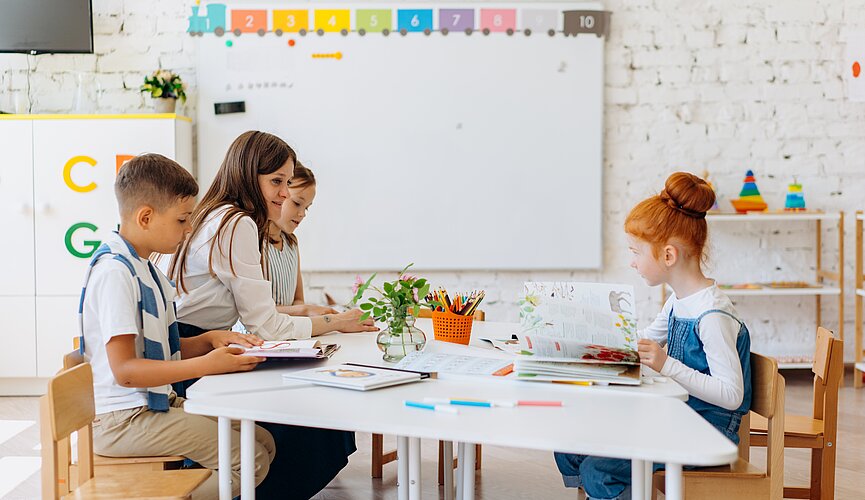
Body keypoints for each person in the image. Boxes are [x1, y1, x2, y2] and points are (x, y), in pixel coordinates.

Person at [169, 131, 373, 499]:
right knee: (311, 415)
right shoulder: (238, 224)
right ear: (249, 174)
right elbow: (266, 323)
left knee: (309, 404)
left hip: (199, 346)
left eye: (287, 181)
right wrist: (337, 323)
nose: (284, 193)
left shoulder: (215, 214)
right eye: (276, 181)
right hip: (196, 356)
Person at [80, 153, 275, 500]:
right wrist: (207, 365)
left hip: (149, 404)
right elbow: (125, 371)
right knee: (250, 460)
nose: (188, 231)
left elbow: (162, 348)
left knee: (262, 441)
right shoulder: (115, 273)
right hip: (122, 419)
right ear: (145, 217)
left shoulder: (145, 268)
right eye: (183, 220)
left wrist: (209, 340)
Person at [553, 172, 752, 500]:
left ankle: (613, 489)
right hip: (678, 416)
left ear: (668, 256)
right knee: (568, 446)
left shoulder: (712, 315)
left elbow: (731, 395)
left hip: (705, 430)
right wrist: (586, 339)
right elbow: (645, 337)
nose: (632, 262)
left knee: (597, 470)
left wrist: (666, 364)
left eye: (635, 252)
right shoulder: (679, 299)